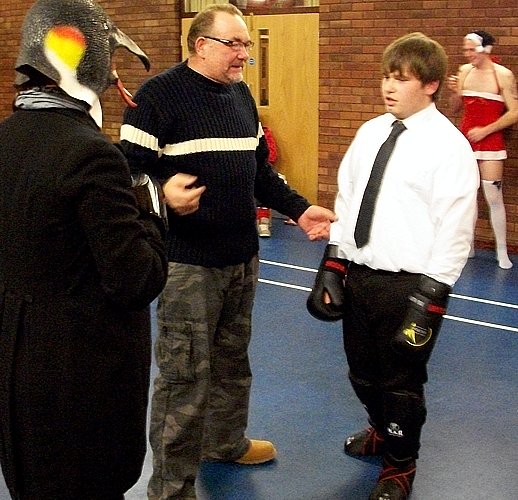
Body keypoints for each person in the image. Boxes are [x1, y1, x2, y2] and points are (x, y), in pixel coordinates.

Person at [120, 3, 335, 499]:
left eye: (246, 45)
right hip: (188, 264)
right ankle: (171, 487)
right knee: (183, 376)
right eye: (234, 43)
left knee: (233, 362)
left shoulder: (240, 96)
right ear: (201, 45)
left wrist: (299, 209)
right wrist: (162, 195)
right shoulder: (157, 97)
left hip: (242, 258)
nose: (243, 54)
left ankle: (224, 443)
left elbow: (258, 171)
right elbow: (125, 175)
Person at [0, 0, 168, 498]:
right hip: (79, 385)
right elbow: (136, 279)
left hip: (16, 374)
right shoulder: (92, 154)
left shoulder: (5, 140)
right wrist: (151, 207)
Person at [307, 33, 479, 500]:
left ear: (431, 84)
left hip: (410, 286)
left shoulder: (449, 146)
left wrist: (431, 299)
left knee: (400, 381)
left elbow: (456, 229)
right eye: (387, 76)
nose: (389, 87)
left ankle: (401, 466)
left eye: (401, 79)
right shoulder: (371, 132)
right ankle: (381, 430)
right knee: (361, 373)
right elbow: (348, 198)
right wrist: (334, 263)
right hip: (361, 276)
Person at [448, 30, 518, 269]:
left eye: (472, 50)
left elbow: (514, 112)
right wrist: (456, 92)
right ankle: (468, 245)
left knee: (493, 195)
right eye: (465, 50)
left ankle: (501, 251)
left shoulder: (502, 75)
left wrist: (486, 130)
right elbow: (455, 108)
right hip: (466, 140)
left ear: (485, 49)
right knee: (467, 194)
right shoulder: (464, 71)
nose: (468, 54)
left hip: (490, 141)